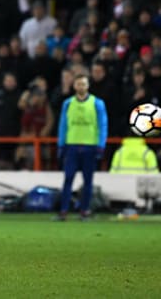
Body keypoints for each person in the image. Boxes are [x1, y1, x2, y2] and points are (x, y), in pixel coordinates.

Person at [56, 74, 108, 221]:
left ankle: (84, 211)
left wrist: (100, 145)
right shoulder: (68, 103)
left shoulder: (97, 103)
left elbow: (102, 125)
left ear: (88, 86)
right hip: (72, 145)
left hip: (90, 146)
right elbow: (63, 125)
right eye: (78, 84)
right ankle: (64, 211)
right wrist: (61, 144)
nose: (81, 87)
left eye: (83, 84)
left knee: (88, 181)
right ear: (74, 86)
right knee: (68, 179)